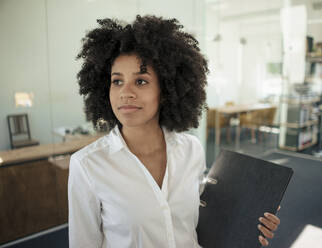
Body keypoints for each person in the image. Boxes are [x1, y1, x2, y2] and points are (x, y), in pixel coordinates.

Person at [68, 15, 280, 248]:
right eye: (117, 81)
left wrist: (252, 220)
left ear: (166, 90)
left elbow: (200, 219)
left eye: (140, 81)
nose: (125, 93)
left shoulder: (191, 149)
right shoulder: (87, 165)